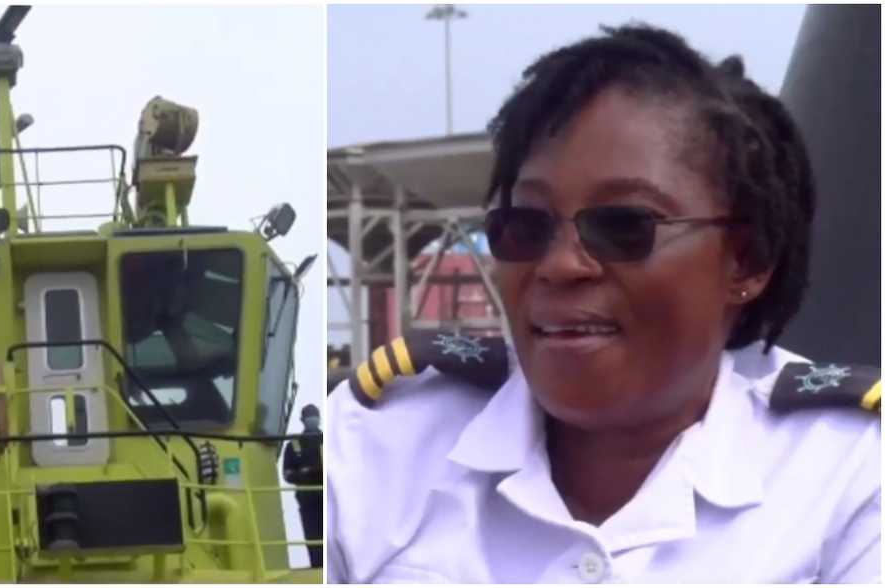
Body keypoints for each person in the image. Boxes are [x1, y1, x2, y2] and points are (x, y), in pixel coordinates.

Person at [327, 25, 880, 583]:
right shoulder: (375, 447)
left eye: (623, 226)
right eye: (525, 226)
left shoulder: (850, 475)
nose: (561, 265)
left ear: (747, 260)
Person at [283, 403, 323, 567]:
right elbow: (287, 474)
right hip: (307, 499)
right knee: (312, 536)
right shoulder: (293, 445)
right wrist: (305, 474)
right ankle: (317, 566)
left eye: (314, 416)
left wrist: (313, 471)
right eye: (309, 416)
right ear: (302, 420)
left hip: (329, 498)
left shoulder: (330, 439)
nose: (312, 419)